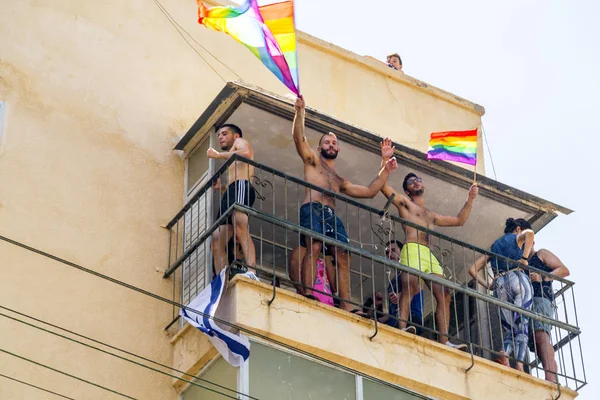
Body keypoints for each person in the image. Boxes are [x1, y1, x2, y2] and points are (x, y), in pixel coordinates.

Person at [292, 96, 398, 311]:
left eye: (334, 143)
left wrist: (385, 167)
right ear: (320, 148)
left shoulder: (340, 180)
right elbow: (299, 139)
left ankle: (347, 304)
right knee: (314, 245)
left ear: (338, 150)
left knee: (342, 253)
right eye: (326, 143)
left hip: (331, 214)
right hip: (312, 208)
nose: (331, 145)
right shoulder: (313, 161)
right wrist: (299, 113)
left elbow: (369, 192)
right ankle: (309, 293)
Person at [380, 146, 478, 348]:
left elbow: (459, 220)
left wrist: (470, 199)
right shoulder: (405, 203)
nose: (416, 182)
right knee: (411, 286)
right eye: (411, 181)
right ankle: (402, 328)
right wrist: (385, 162)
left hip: (428, 254)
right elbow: (384, 188)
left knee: (445, 293)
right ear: (407, 190)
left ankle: (445, 341)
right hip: (412, 248)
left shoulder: (430, 215)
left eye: (418, 180)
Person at [468, 217, 535, 371]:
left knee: (509, 328)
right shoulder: (516, 238)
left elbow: (472, 269)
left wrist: (488, 285)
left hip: (500, 285)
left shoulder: (495, 246)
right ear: (518, 229)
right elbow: (530, 233)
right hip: (517, 278)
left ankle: (504, 353)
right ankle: (519, 364)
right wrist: (524, 259)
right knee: (522, 324)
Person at [208, 124, 257, 276]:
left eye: (224, 134)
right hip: (232, 191)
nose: (221, 137)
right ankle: (221, 278)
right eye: (219, 136)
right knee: (216, 239)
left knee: (240, 226)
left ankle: (251, 271)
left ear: (235, 136)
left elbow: (246, 153)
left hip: (241, 186)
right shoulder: (231, 154)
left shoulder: (240, 141)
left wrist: (217, 155)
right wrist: (221, 189)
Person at [528, 246, 570, 382]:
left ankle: (550, 377)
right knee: (537, 343)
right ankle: (553, 379)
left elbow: (564, 270)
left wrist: (542, 277)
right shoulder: (521, 261)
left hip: (541, 299)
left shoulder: (540, 254)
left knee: (541, 336)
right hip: (529, 302)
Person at [380, 240, 424, 334]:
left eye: (393, 250)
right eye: (387, 252)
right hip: (394, 322)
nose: (390, 254)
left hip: (411, 318)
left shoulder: (409, 268)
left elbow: (419, 286)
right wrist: (381, 319)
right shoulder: (393, 280)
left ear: (402, 251)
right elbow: (393, 310)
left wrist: (400, 295)